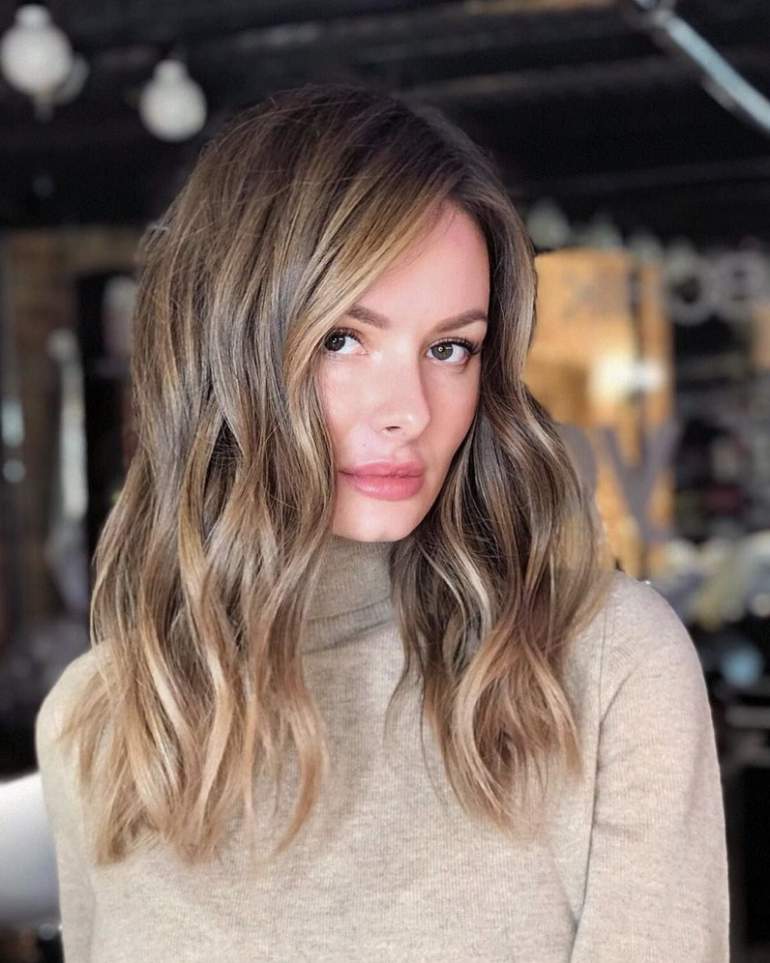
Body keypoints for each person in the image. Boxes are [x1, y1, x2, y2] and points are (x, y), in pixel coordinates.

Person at [34, 81, 729, 962]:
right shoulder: (99, 720)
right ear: (224, 350)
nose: (409, 409)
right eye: (342, 339)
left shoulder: (603, 668)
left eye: (450, 347)